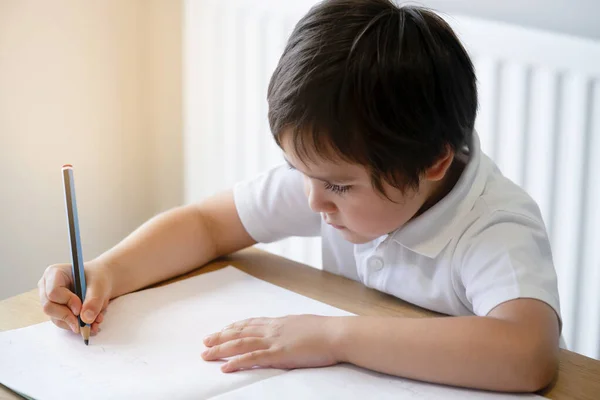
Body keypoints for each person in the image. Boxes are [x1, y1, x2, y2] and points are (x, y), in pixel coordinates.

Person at [38, 0, 561, 392]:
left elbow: (525, 352)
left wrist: (334, 337)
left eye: (336, 185)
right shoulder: (335, 178)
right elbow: (206, 223)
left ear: (433, 163)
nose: (312, 201)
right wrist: (108, 272)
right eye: (298, 170)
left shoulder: (493, 224)